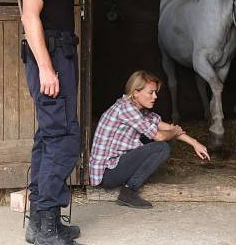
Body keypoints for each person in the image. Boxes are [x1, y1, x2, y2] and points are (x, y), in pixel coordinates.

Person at [18, 0, 89, 245]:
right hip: (52, 56)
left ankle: (39, 223)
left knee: (48, 138)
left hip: (60, 54)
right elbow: (30, 17)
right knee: (64, 138)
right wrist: (46, 67)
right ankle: (48, 233)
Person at [89, 70, 211, 209]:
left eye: (155, 92)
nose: (155, 96)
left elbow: (165, 126)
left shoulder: (139, 109)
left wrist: (194, 143)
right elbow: (160, 136)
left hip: (115, 166)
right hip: (107, 173)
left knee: (154, 138)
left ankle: (130, 184)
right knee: (161, 147)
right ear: (136, 92)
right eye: (151, 92)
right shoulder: (127, 109)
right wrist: (173, 132)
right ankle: (128, 192)